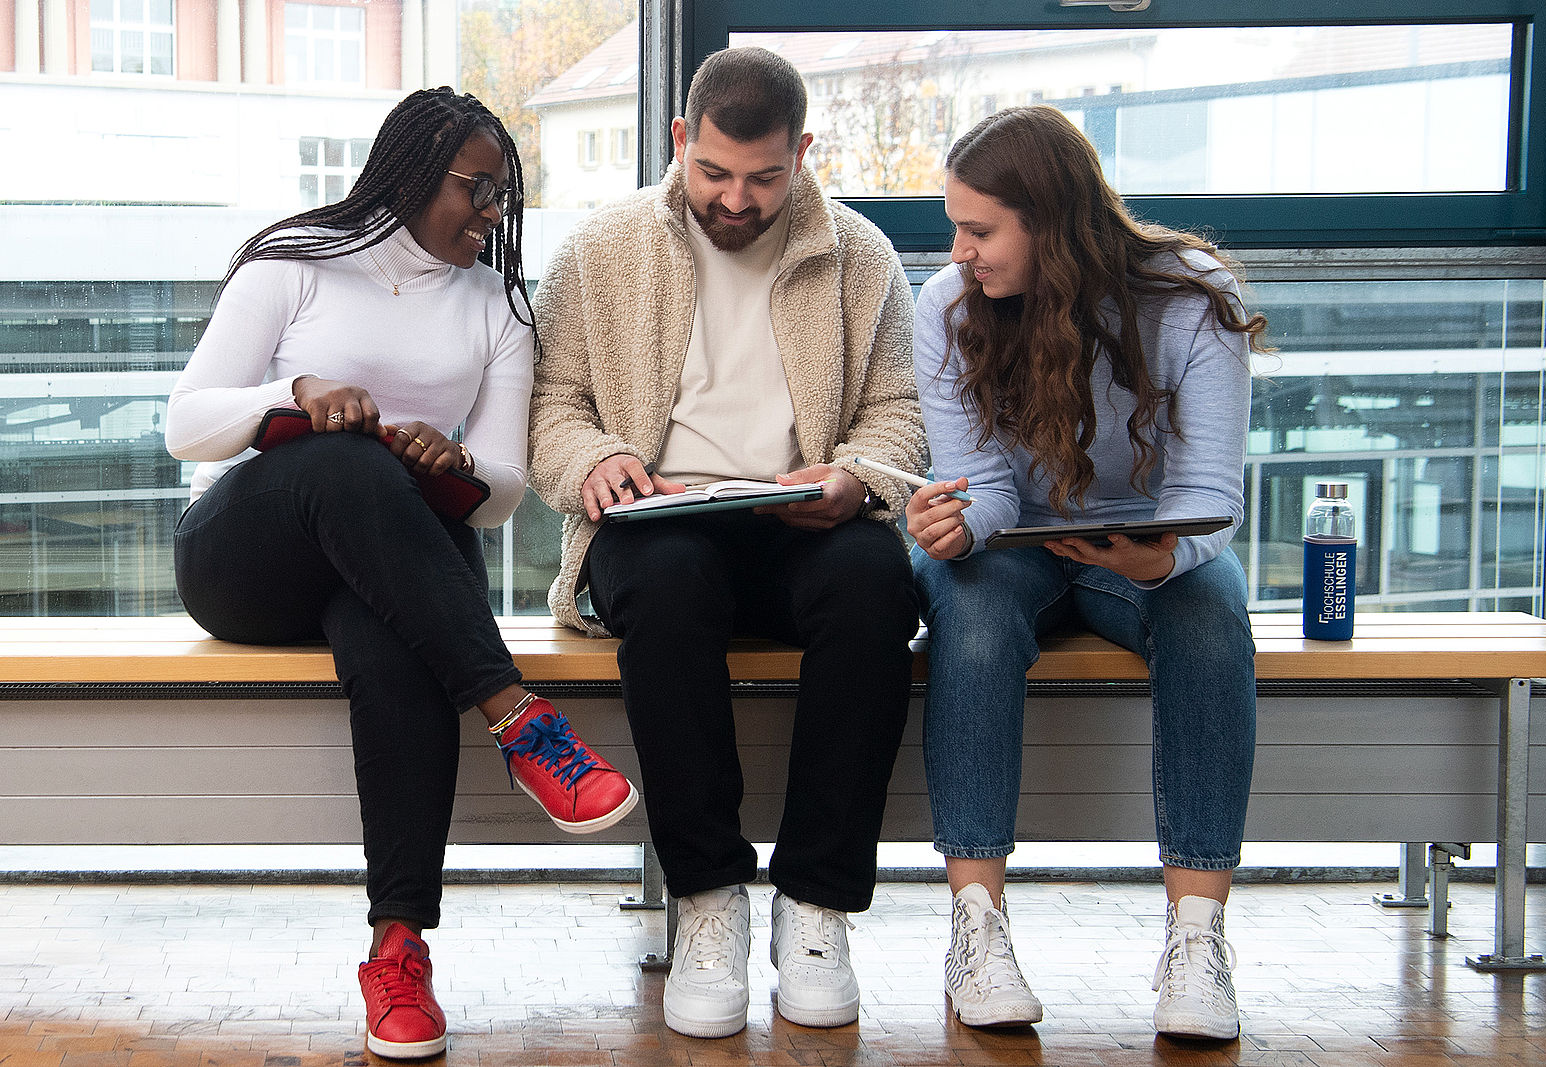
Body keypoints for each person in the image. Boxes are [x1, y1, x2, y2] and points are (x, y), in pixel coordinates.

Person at [165, 87, 638, 1061]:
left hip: (390, 569)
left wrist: (453, 462)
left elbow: (504, 491)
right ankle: (520, 718)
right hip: (249, 557)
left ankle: (398, 950)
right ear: (417, 172)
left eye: (505, 195)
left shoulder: (499, 304)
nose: (493, 213)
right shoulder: (292, 262)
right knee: (346, 458)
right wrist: (295, 394)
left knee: (395, 636)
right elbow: (185, 425)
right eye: (478, 188)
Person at [528, 47, 925, 1039]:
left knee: (879, 585)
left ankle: (818, 904)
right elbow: (549, 406)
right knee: (663, 586)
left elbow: (898, 419)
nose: (734, 200)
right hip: (660, 522)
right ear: (678, 142)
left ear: (801, 153)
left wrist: (852, 478)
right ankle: (705, 897)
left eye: (761, 177)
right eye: (712, 173)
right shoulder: (600, 249)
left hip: (805, 526)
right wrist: (595, 459)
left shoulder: (861, 257)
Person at [905, 106, 1269, 1040]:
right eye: (957, 227)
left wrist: (1162, 554)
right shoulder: (949, 305)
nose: (961, 250)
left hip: (1145, 547)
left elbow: (1209, 496)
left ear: (1052, 224)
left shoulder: (1193, 298)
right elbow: (982, 485)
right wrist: (953, 527)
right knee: (973, 614)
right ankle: (976, 929)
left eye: (980, 230)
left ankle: (1198, 940)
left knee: (1211, 618)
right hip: (1015, 545)